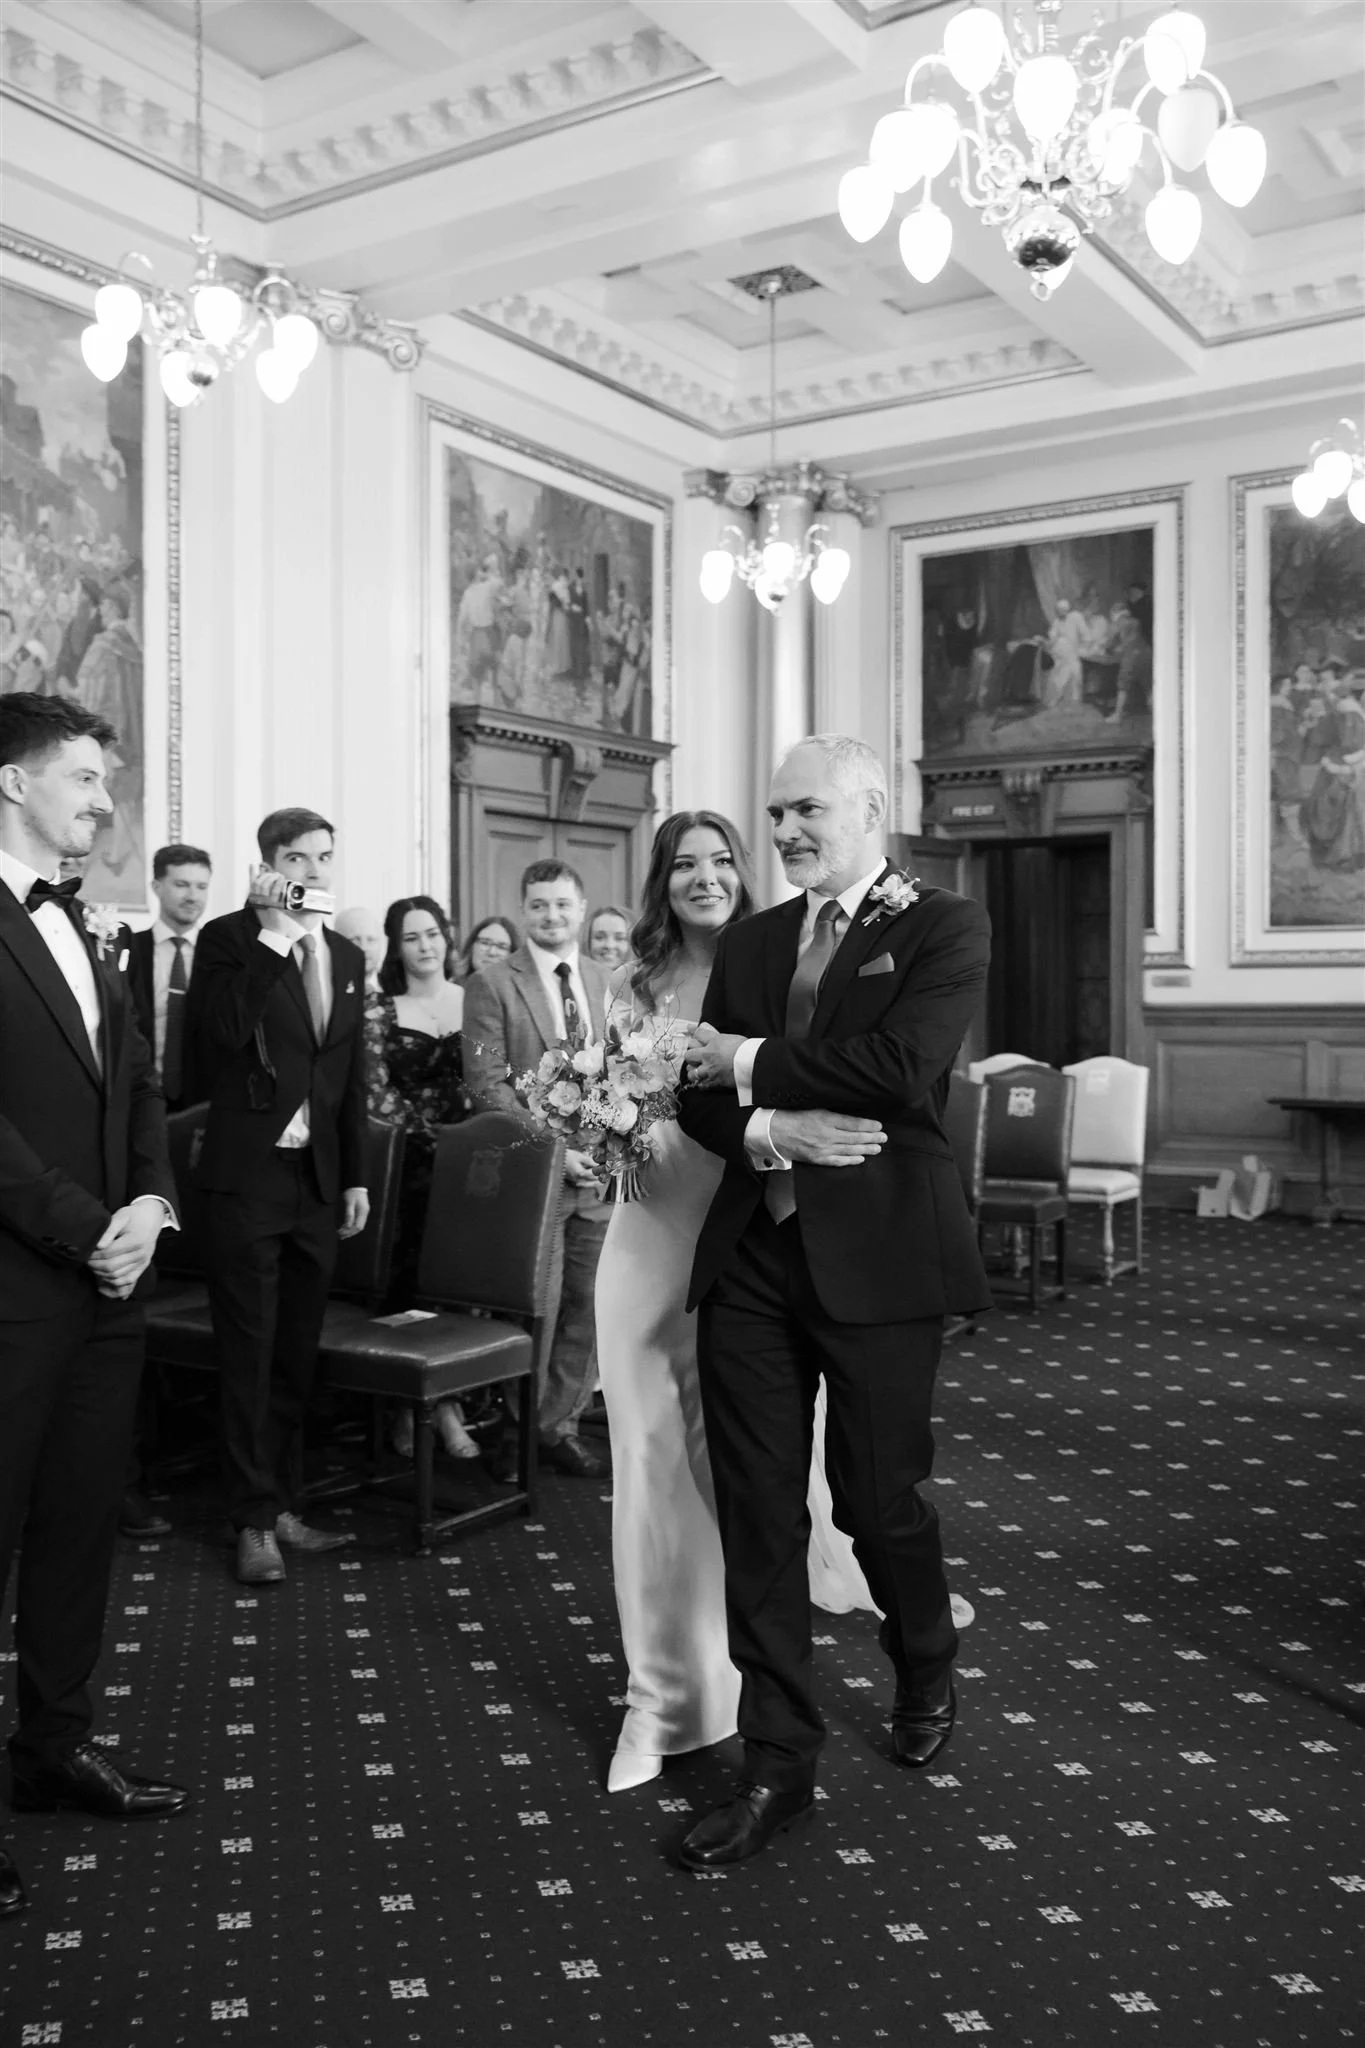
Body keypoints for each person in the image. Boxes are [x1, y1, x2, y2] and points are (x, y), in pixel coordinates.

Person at [673, 734, 992, 1871]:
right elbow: (689, 1092)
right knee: (759, 1514)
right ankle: (779, 1763)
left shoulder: (943, 923)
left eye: (805, 808)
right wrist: (767, 1127)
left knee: (875, 1498)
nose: (786, 830)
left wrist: (747, 1058)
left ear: (871, 805)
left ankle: (922, 1653)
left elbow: (899, 1068)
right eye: (775, 814)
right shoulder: (756, 937)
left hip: (884, 1260)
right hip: (755, 1253)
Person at [0, 693, 188, 1924]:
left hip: (107, 1285)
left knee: (78, 1533)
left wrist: (153, 1207)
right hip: (15, 1285)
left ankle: (54, 1748)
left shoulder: (91, 924)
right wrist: (84, 1225)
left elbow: (137, 1083)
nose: (104, 798)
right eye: (81, 777)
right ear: (12, 782)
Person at [594, 811, 756, 1792]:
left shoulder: (777, 968)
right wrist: (595, 1120)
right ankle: (660, 1699)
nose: (705, 876)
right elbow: (624, 1093)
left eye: (721, 858)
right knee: (648, 1461)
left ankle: (739, 1672)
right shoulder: (632, 982)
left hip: (737, 1236)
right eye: (684, 863)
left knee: (732, 1462)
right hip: (643, 1234)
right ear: (662, 880)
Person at [186, 807, 370, 1586]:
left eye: (324, 858)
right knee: (249, 1353)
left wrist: (356, 1172)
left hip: (318, 1183)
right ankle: (250, 1520)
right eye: (298, 859)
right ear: (268, 865)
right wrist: (272, 933)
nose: (314, 873)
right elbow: (221, 1034)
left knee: (296, 1352)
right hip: (247, 1180)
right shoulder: (228, 939)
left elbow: (348, 1075)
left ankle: (285, 1503)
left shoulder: (349, 954)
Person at [463, 859, 612, 1479]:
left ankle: (559, 1424)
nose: (552, 915)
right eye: (539, 905)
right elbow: (486, 1085)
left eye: (563, 904)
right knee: (537, 1310)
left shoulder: (611, 980)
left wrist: (610, 1147)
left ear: (581, 908)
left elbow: (628, 1070)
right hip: (536, 1179)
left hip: (602, 1175)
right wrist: (555, 1147)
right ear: (524, 910)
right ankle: (518, 1430)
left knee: (589, 1307)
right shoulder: (491, 983)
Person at [364, 895, 478, 1460]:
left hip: (475, 1169)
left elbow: (494, 1076)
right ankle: (410, 1412)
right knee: (407, 1289)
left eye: (431, 933)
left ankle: (454, 1404)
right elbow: (378, 1095)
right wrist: (434, 1138)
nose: (425, 946)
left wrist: (470, 1142)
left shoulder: (474, 996)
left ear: (446, 937)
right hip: (407, 1166)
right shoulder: (379, 1008)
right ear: (395, 946)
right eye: (411, 937)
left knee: (463, 1287)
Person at [129, 843, 213, 1110]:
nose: (193, 896)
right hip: (139, 1098)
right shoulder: (128, 949)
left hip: (204, 1102)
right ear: (156, 887)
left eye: (201, 887)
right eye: (182, 884)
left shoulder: (220, 957)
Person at [335, 905, 385, 994]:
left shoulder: (399, 988)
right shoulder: (326, 989)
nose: (364, 948)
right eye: (354, 940)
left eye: (371, 939)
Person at [456, 914, 519, 983]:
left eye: (501, 947)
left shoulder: (520, 992)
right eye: (485, 943)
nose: (492, 952)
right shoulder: (453, 990)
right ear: (471, 946)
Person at [585, 903, 633, 970]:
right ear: (588, 941)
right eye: (600, 937)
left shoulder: (646, 979)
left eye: (619, 938)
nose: (609, 945)